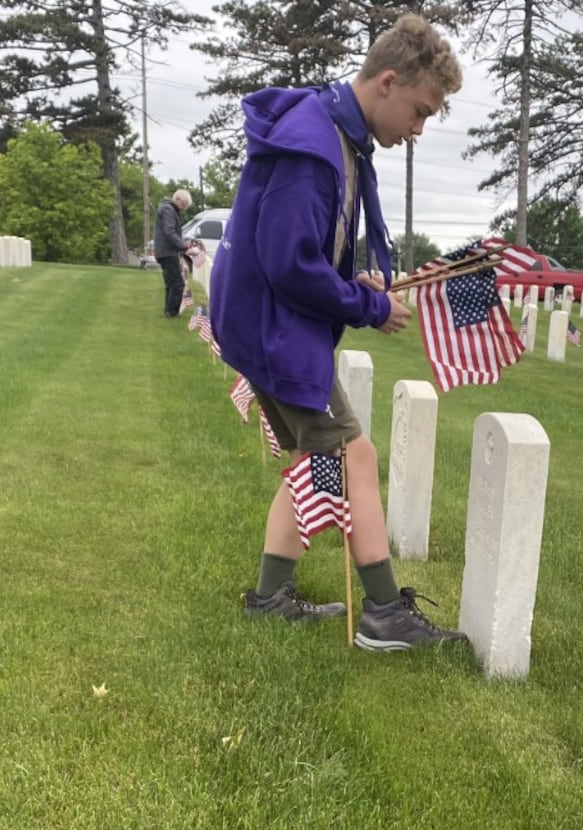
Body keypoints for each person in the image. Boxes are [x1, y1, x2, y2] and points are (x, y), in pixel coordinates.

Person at [212, 14, 467, 651]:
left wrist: (359, 283)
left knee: (317, 458)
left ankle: (271, 597)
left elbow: (309, 249)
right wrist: (367, 306)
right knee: (353, 454)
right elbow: (287, 262)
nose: (418, 129)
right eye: (420, 111)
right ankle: (383, 614)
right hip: (274, 326)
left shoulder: (333, 136)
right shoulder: (313, 148)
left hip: (265, 319)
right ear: (387, 82)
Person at [154, 188, 192, 317]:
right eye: (184, 205)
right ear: (178, 200)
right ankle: (172, 312)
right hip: (167, 251)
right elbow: (169, 232)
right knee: (177, 283)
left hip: (165, 251)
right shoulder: (168, 210)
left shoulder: (167, 209)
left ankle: (168, 311)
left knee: (170, 283)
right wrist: (184, 247)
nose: (184, 209)